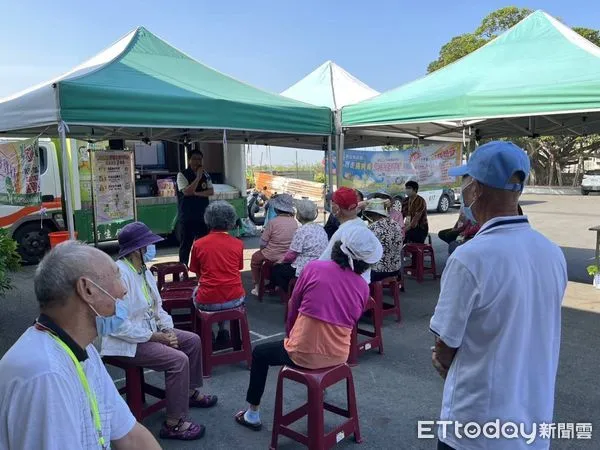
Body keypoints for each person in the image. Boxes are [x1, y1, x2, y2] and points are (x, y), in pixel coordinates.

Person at [429, 141, 567, 450]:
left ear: (476, 189)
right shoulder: (551, 252)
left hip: (475, 429)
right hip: (532, 423)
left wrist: (441, 358)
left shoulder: (470, 257)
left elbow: (445, 346)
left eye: (466, 182)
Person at [0, 241, 161, 450]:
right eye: (117, 276)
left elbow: (130, 436)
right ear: (87, 289)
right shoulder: (46, 374)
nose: (124, 290)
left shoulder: (83, 351)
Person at [234, 227, 383, 431]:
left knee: (260, 354)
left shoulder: (314, 269)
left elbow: (292, 308)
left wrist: (290, 336)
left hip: (302, 351)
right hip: (340, 354)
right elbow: (353, 319)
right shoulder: (362, 287)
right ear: (366, 262)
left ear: (339, 247)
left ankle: (252, 413)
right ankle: (319, 394)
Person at [101, 222, 218, 441]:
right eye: (147, 244)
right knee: (177, 360)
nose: (151, 248)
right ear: (137, 249)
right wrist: (157, 336)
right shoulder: (120, 275)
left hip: (148, 331)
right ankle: (173, 423)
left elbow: (157, 307)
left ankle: (188, 392)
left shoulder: (143, 271)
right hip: (124, 341)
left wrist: (168, 330)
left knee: (192, 341)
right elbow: (117, 325)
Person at [189, 201, 245, 343]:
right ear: (231, 221)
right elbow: (237, 268)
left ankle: (208, 333)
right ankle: (223, 329)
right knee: (226, 294)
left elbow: (197, 273)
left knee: (196, 294)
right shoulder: (238, 244)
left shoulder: (198, 244)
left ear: (208, 220)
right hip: (234, 299)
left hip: (207, 300)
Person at [320, 187, 382, 283]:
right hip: (363, 283)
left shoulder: (342, 233)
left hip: (345, 286)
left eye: (332, 203)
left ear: (336, 207)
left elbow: (322, 264)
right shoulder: (362, 226)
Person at [271, 199, 328, 293]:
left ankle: (293, 293)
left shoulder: (301, 231)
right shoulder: (320, 229)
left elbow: (291, 254)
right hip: (320, 266)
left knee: (277, 270)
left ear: (299, 215)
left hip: (304, 268)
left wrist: (280, 261)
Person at [250, 193, 298, 296]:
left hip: (271, 254)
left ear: (276, 209)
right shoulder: (294, 222)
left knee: (255, 259)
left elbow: (263, 242)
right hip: (288, 254)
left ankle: (257, 286)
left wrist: (262, 250)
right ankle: (274, 284)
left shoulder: (272, 222)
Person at [177, 149, 214, 266]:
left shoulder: (206, 174)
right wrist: (197, 178)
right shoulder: (182, 174)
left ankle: (202, 269)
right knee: (185, 245)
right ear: (189, 160)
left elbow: (211, 191)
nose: (197, 162)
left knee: (203, 245)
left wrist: (197, 193)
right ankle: (183, 270)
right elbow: (187, 191)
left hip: (202, 216)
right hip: (187, 216)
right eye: (194, 159)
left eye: (199, 159)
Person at [363, 199, 404, 283]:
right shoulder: (396, 224)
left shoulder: (372, 227)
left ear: (373, 215)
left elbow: (365, 250)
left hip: (378, 272)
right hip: (396, 269)